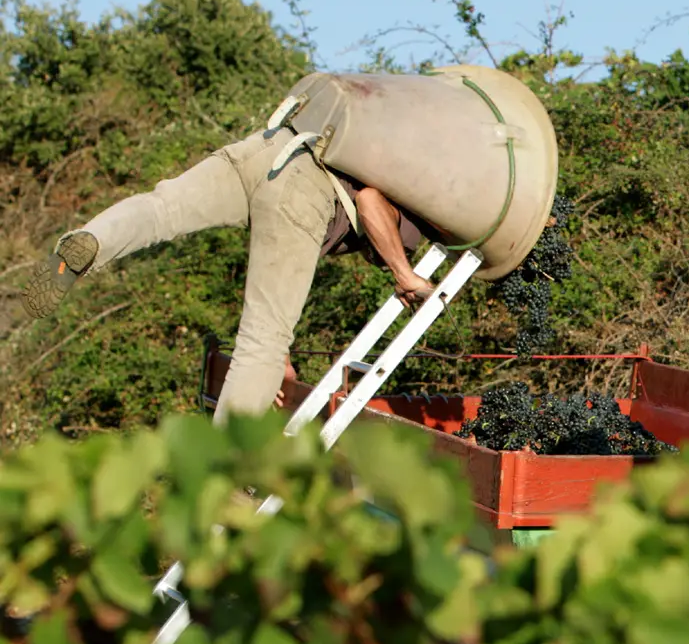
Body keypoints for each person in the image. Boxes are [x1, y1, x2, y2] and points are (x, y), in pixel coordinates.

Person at [21, 126, 448, 424]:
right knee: (262, 339)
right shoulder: (416, 199)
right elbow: (371, 202)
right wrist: (405, 274)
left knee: (163, 208)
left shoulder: (378, 149)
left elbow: (275, 262)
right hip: (307, 186)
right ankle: (226, 475)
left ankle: (87, 242)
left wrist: (280, 364)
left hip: (266, 149)